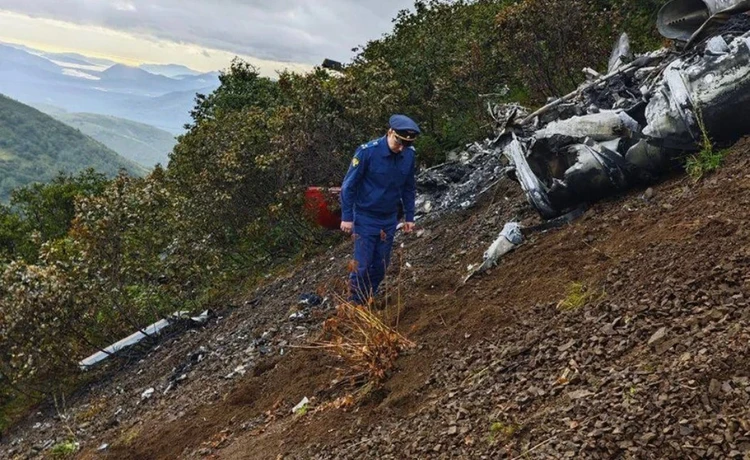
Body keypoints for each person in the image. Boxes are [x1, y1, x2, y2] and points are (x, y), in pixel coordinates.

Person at [340, 114, 420, 305]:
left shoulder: (408, 155)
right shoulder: (367, 152)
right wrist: (347, 216)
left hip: (389, 218)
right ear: (390, 132)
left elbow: (409, 187)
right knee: (362, 265)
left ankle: (368, 296)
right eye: (398, 142)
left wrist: (410, 216)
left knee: (381, 266)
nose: (400, 148)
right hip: (366, 217)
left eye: (405, 145)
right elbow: (348, 186)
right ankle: (355, 305)